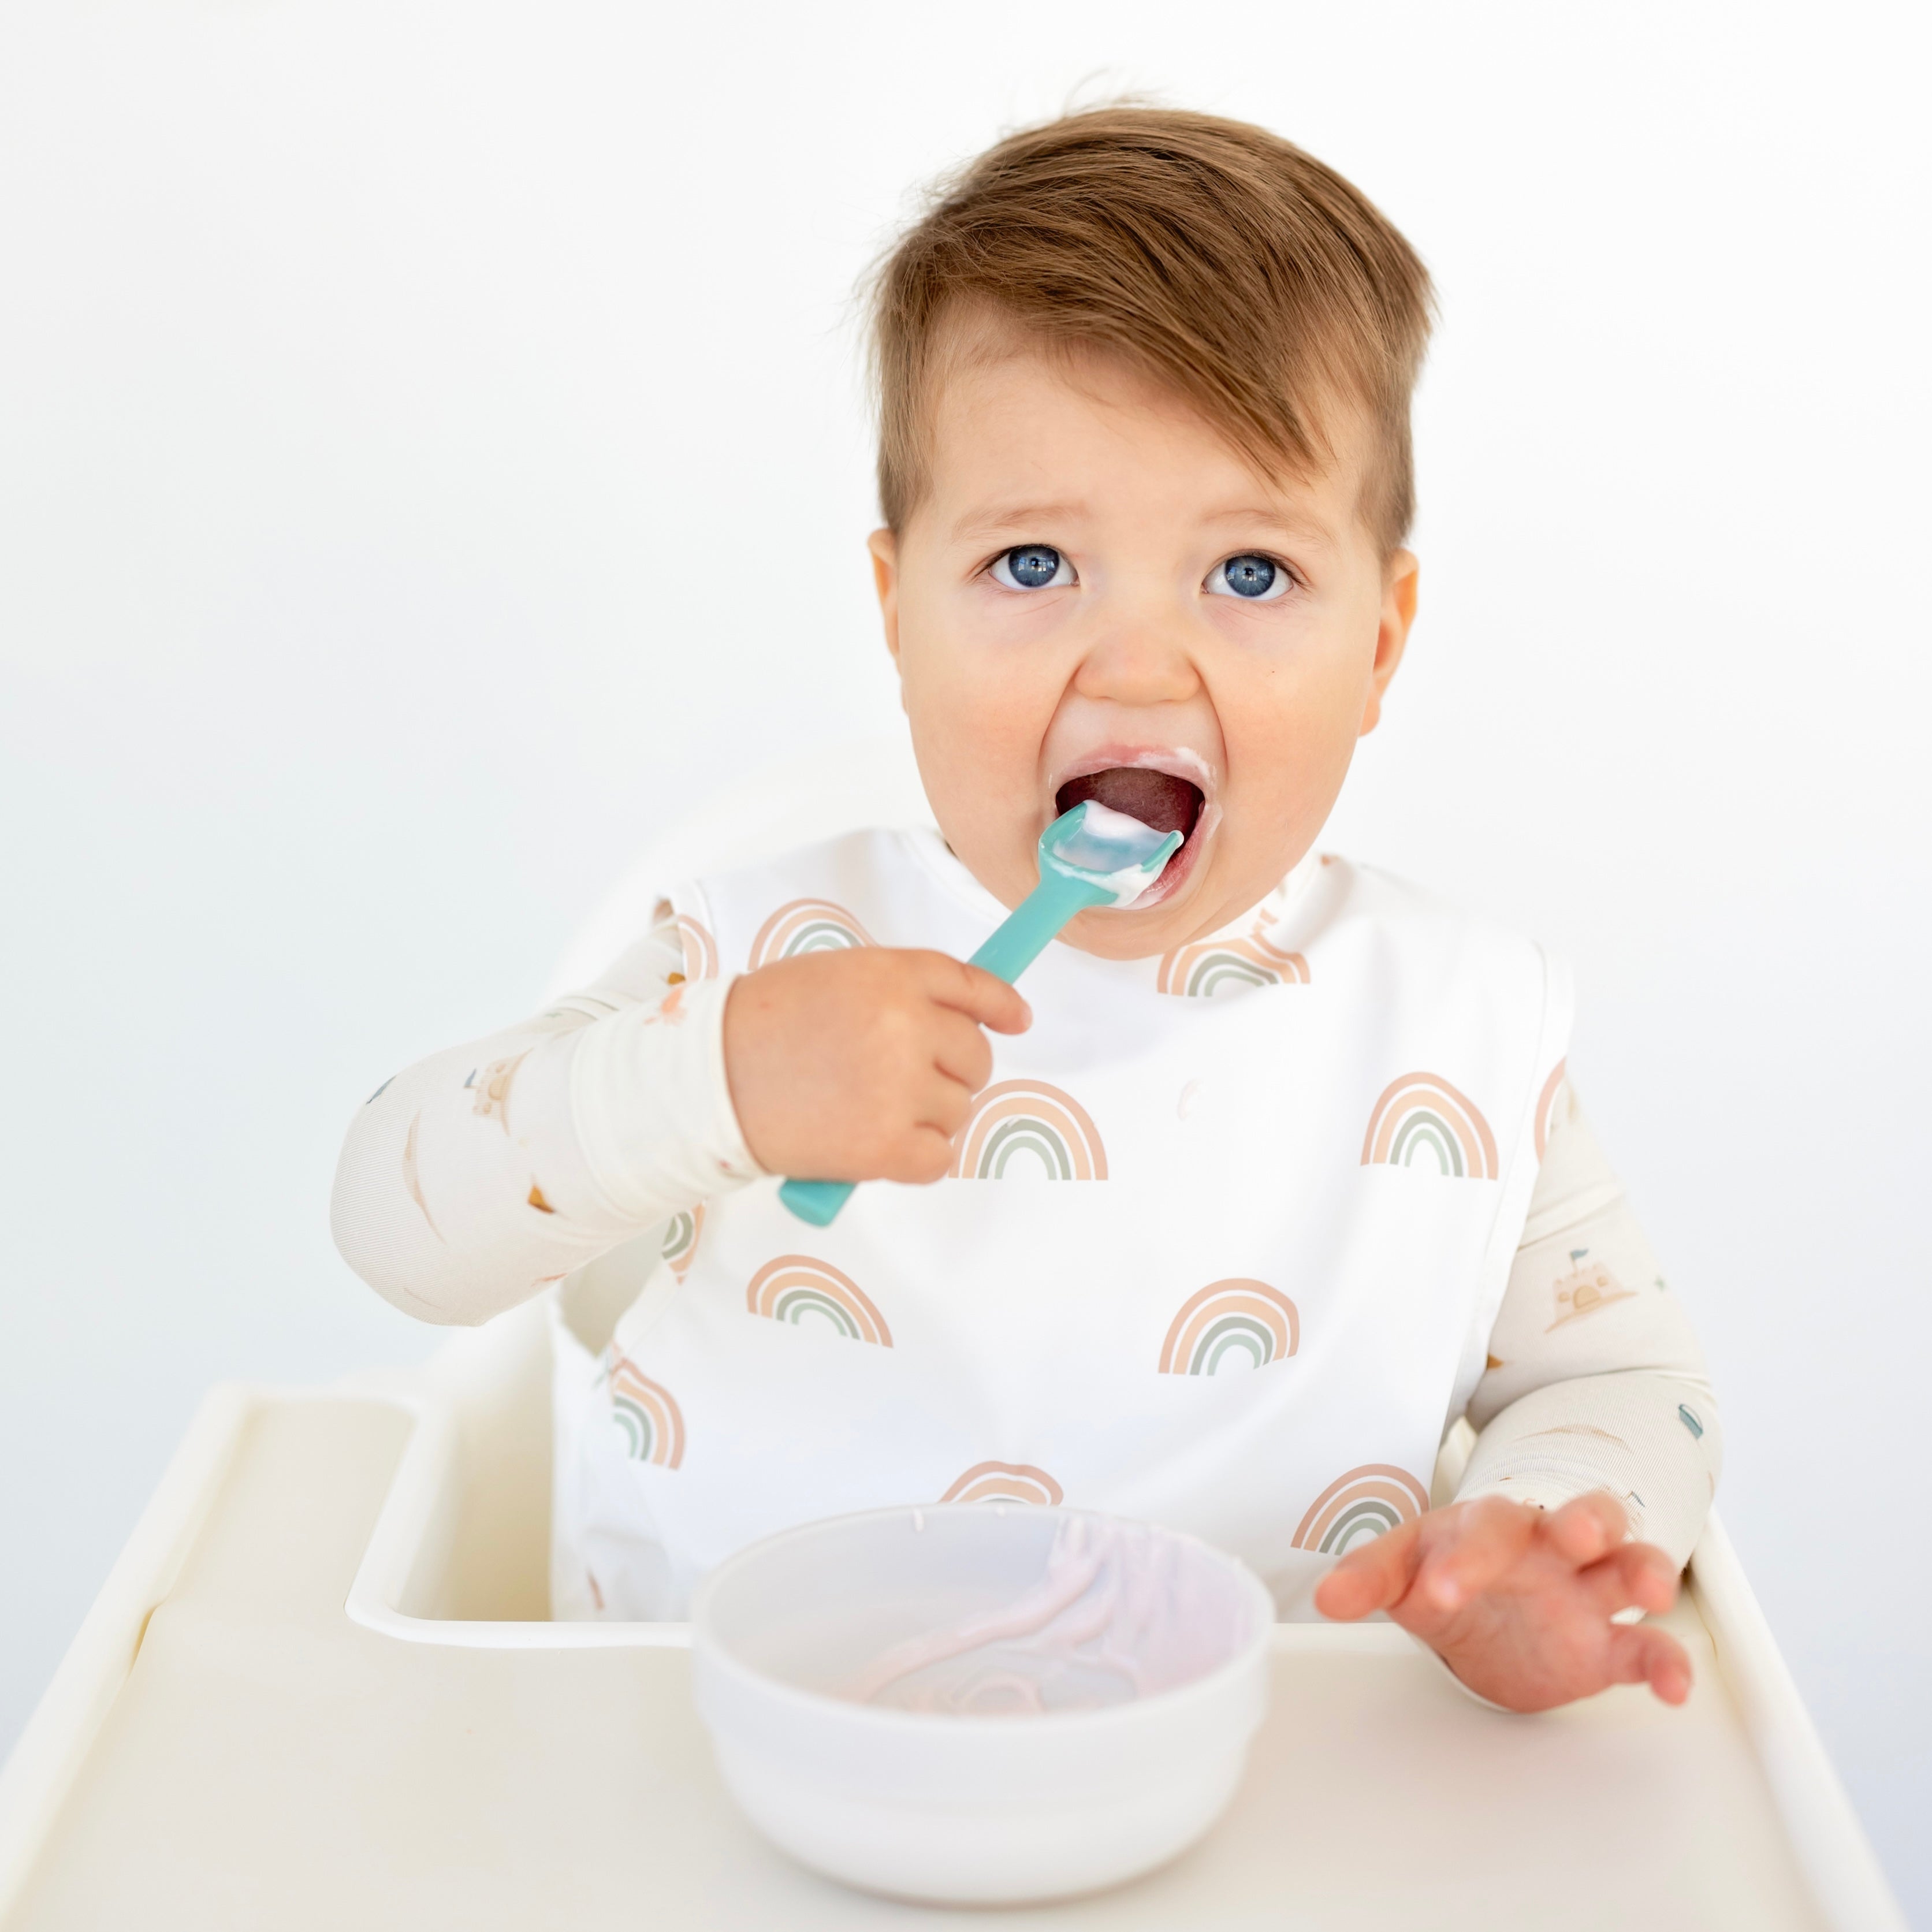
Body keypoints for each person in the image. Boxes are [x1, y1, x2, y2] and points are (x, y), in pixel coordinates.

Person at [332, 107, 1721, 1713]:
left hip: (1270, 1792)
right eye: (1034, 563)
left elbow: (1623, 1373)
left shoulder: (1451, 1035)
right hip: (711, 1766)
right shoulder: (755, 966)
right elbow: (391, 1217)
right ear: (894, 609)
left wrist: (1537, 1535)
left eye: (1251, 573)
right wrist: (705, 1082)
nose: (1135, 664)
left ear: (1382, 646)